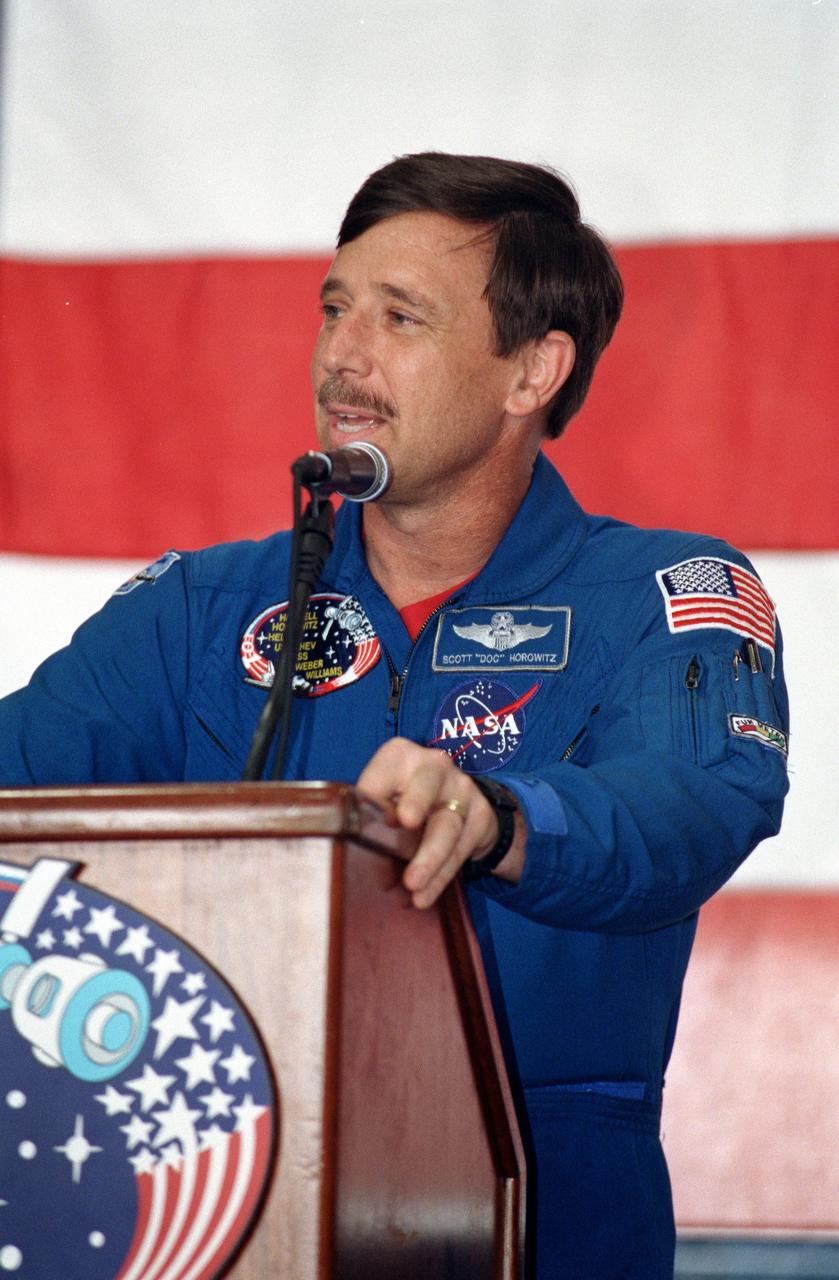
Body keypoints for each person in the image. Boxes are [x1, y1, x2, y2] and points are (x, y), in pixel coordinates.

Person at [0, 153, 789, 1278]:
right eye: (334, 307)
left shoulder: (662, 595)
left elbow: (698, 797)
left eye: (398, 316)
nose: (341, 355)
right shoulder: (199, 608)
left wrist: (498, 817)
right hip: (220, 1197)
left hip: (547, 1201)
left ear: (532, 370)